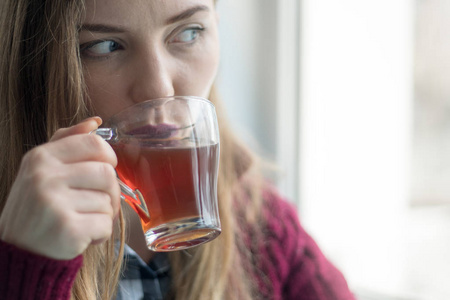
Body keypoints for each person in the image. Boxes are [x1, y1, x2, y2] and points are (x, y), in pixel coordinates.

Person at [0, 0, 356, 299]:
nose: (159, 88)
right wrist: (30, 268)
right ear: (31, 66)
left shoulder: (260, 224)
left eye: (189, 32)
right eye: (105, 46)